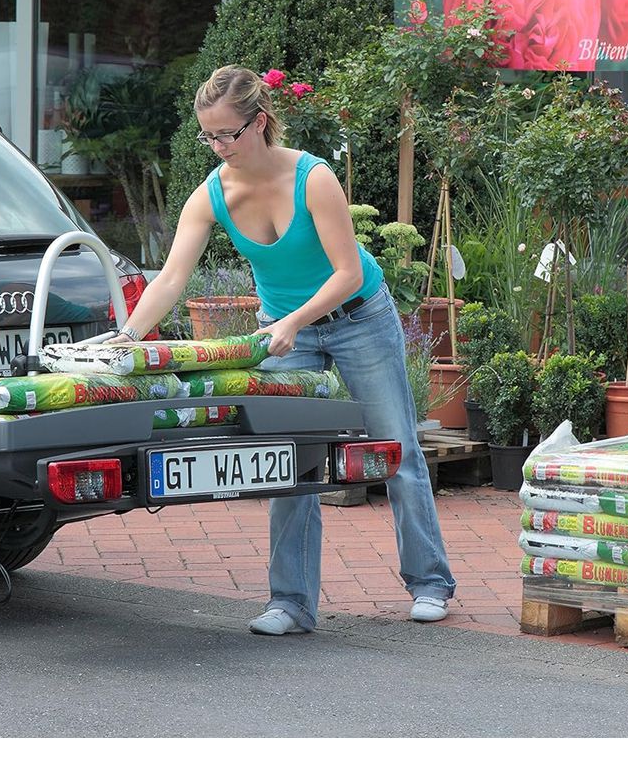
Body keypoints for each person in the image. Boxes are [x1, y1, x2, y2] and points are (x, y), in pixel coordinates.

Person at [109, 65, 456, 634]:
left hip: (357, 317)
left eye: (227, 134)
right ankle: (291, 604)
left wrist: (293, 321)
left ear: (260, 122)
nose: (219, 147)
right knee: (290, 462)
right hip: (283, 328)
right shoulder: (212, 194)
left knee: (395, 447)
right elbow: (171, 279)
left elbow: (347, 273)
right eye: (209, 136)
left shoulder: (313, 178)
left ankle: (429, 583)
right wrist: (126, 338)